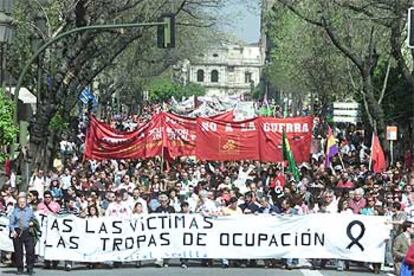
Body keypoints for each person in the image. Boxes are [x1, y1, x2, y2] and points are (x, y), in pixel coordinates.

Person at [8, 193, 36, 275]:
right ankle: (19, 268)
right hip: (18, 231)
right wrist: (13, 231)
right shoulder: (14, 211)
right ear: (17, 202)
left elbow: (35, 220)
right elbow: (11, 223)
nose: (22, 204)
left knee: (30, 251)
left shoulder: (29, 210)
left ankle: (29, 267)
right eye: (20, 202)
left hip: (28, 231)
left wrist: (32, 223)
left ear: (26, 202)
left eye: (23, 202)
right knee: (18, 252)